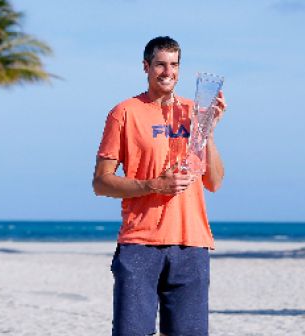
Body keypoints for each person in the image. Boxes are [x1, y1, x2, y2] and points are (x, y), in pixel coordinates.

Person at [92, 36, 227, 336]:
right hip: (140, 244)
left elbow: (214, 182)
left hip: (192, 245)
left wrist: (209, 132)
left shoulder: (196, 111)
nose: (168, 72)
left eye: (174, 65)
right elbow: (101, 182)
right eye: (160, 65)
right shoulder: (124, 112)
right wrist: (153, 185)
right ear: (146, 66)